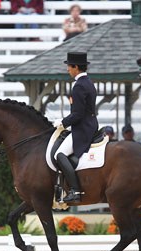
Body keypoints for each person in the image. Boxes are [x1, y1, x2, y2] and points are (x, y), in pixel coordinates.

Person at [53, 52, 98, 203]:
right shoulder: (89, 82)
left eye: (69, 67)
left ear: (76, 67)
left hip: (83, 128)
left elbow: (78, 114)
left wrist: (63, 122)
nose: (67, 70)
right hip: (90, 124)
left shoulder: (79, 86)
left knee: (59, 155)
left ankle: (75, 190)